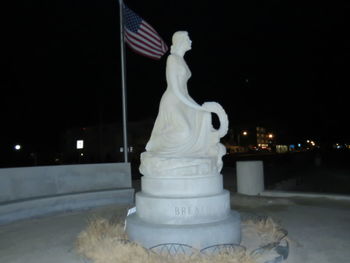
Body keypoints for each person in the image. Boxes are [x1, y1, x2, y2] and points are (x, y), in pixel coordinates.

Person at [143, 31, 228, 174]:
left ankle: (198, 152)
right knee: (184, 132)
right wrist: (194, 107)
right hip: (172, 102)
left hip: (183, 100)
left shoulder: (182, 61)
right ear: (180, 40)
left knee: (204, 117)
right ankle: (157, 143)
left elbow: (186, 92)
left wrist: (199, 108)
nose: (190, 41)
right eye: (188, 38)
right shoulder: (172, 59)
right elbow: (175, 89)